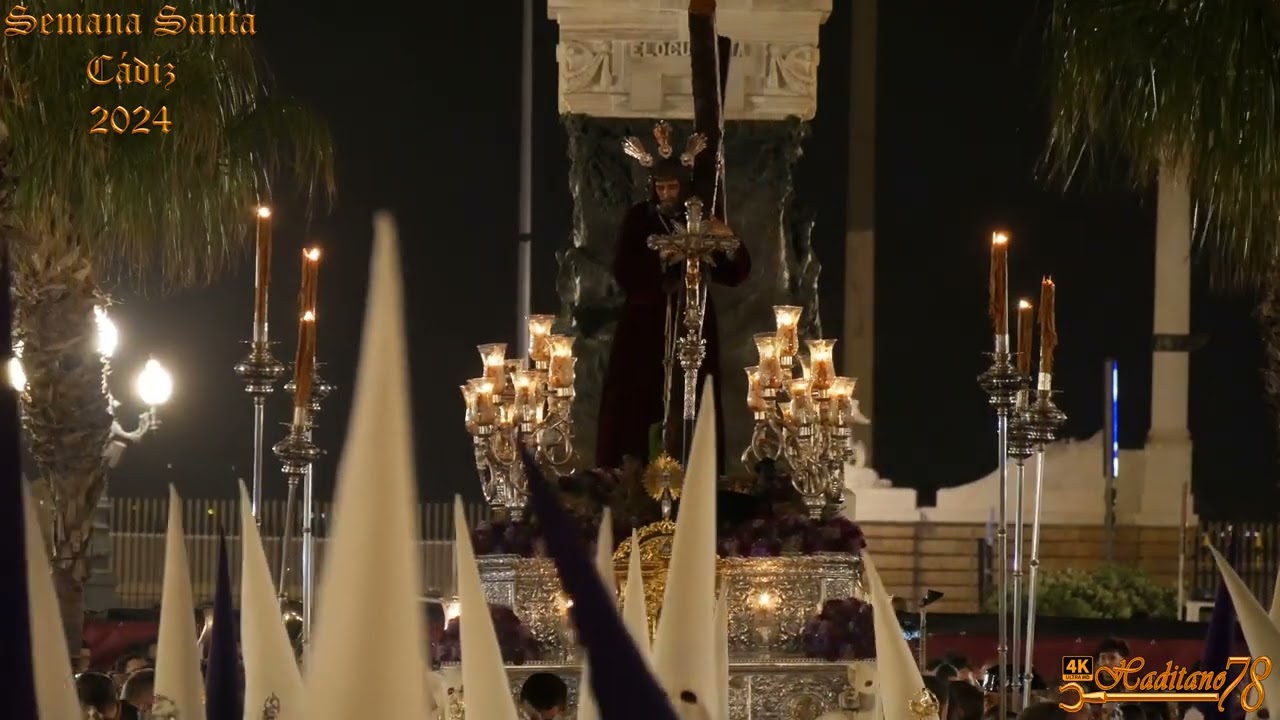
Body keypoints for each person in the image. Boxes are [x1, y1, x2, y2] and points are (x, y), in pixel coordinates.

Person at [596, 120, 751, 473]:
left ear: (683, 188)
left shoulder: (701, 220)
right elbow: (625, 270)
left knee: (691, 397)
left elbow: (735, 272)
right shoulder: (640, 218)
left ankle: (693, 470)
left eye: (672, 187)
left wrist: (729, 239)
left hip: (692, 315)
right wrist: (661, 264)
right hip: (646, 323)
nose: (666, 193)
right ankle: (635, 472)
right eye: (661, 187)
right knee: (640, 399)